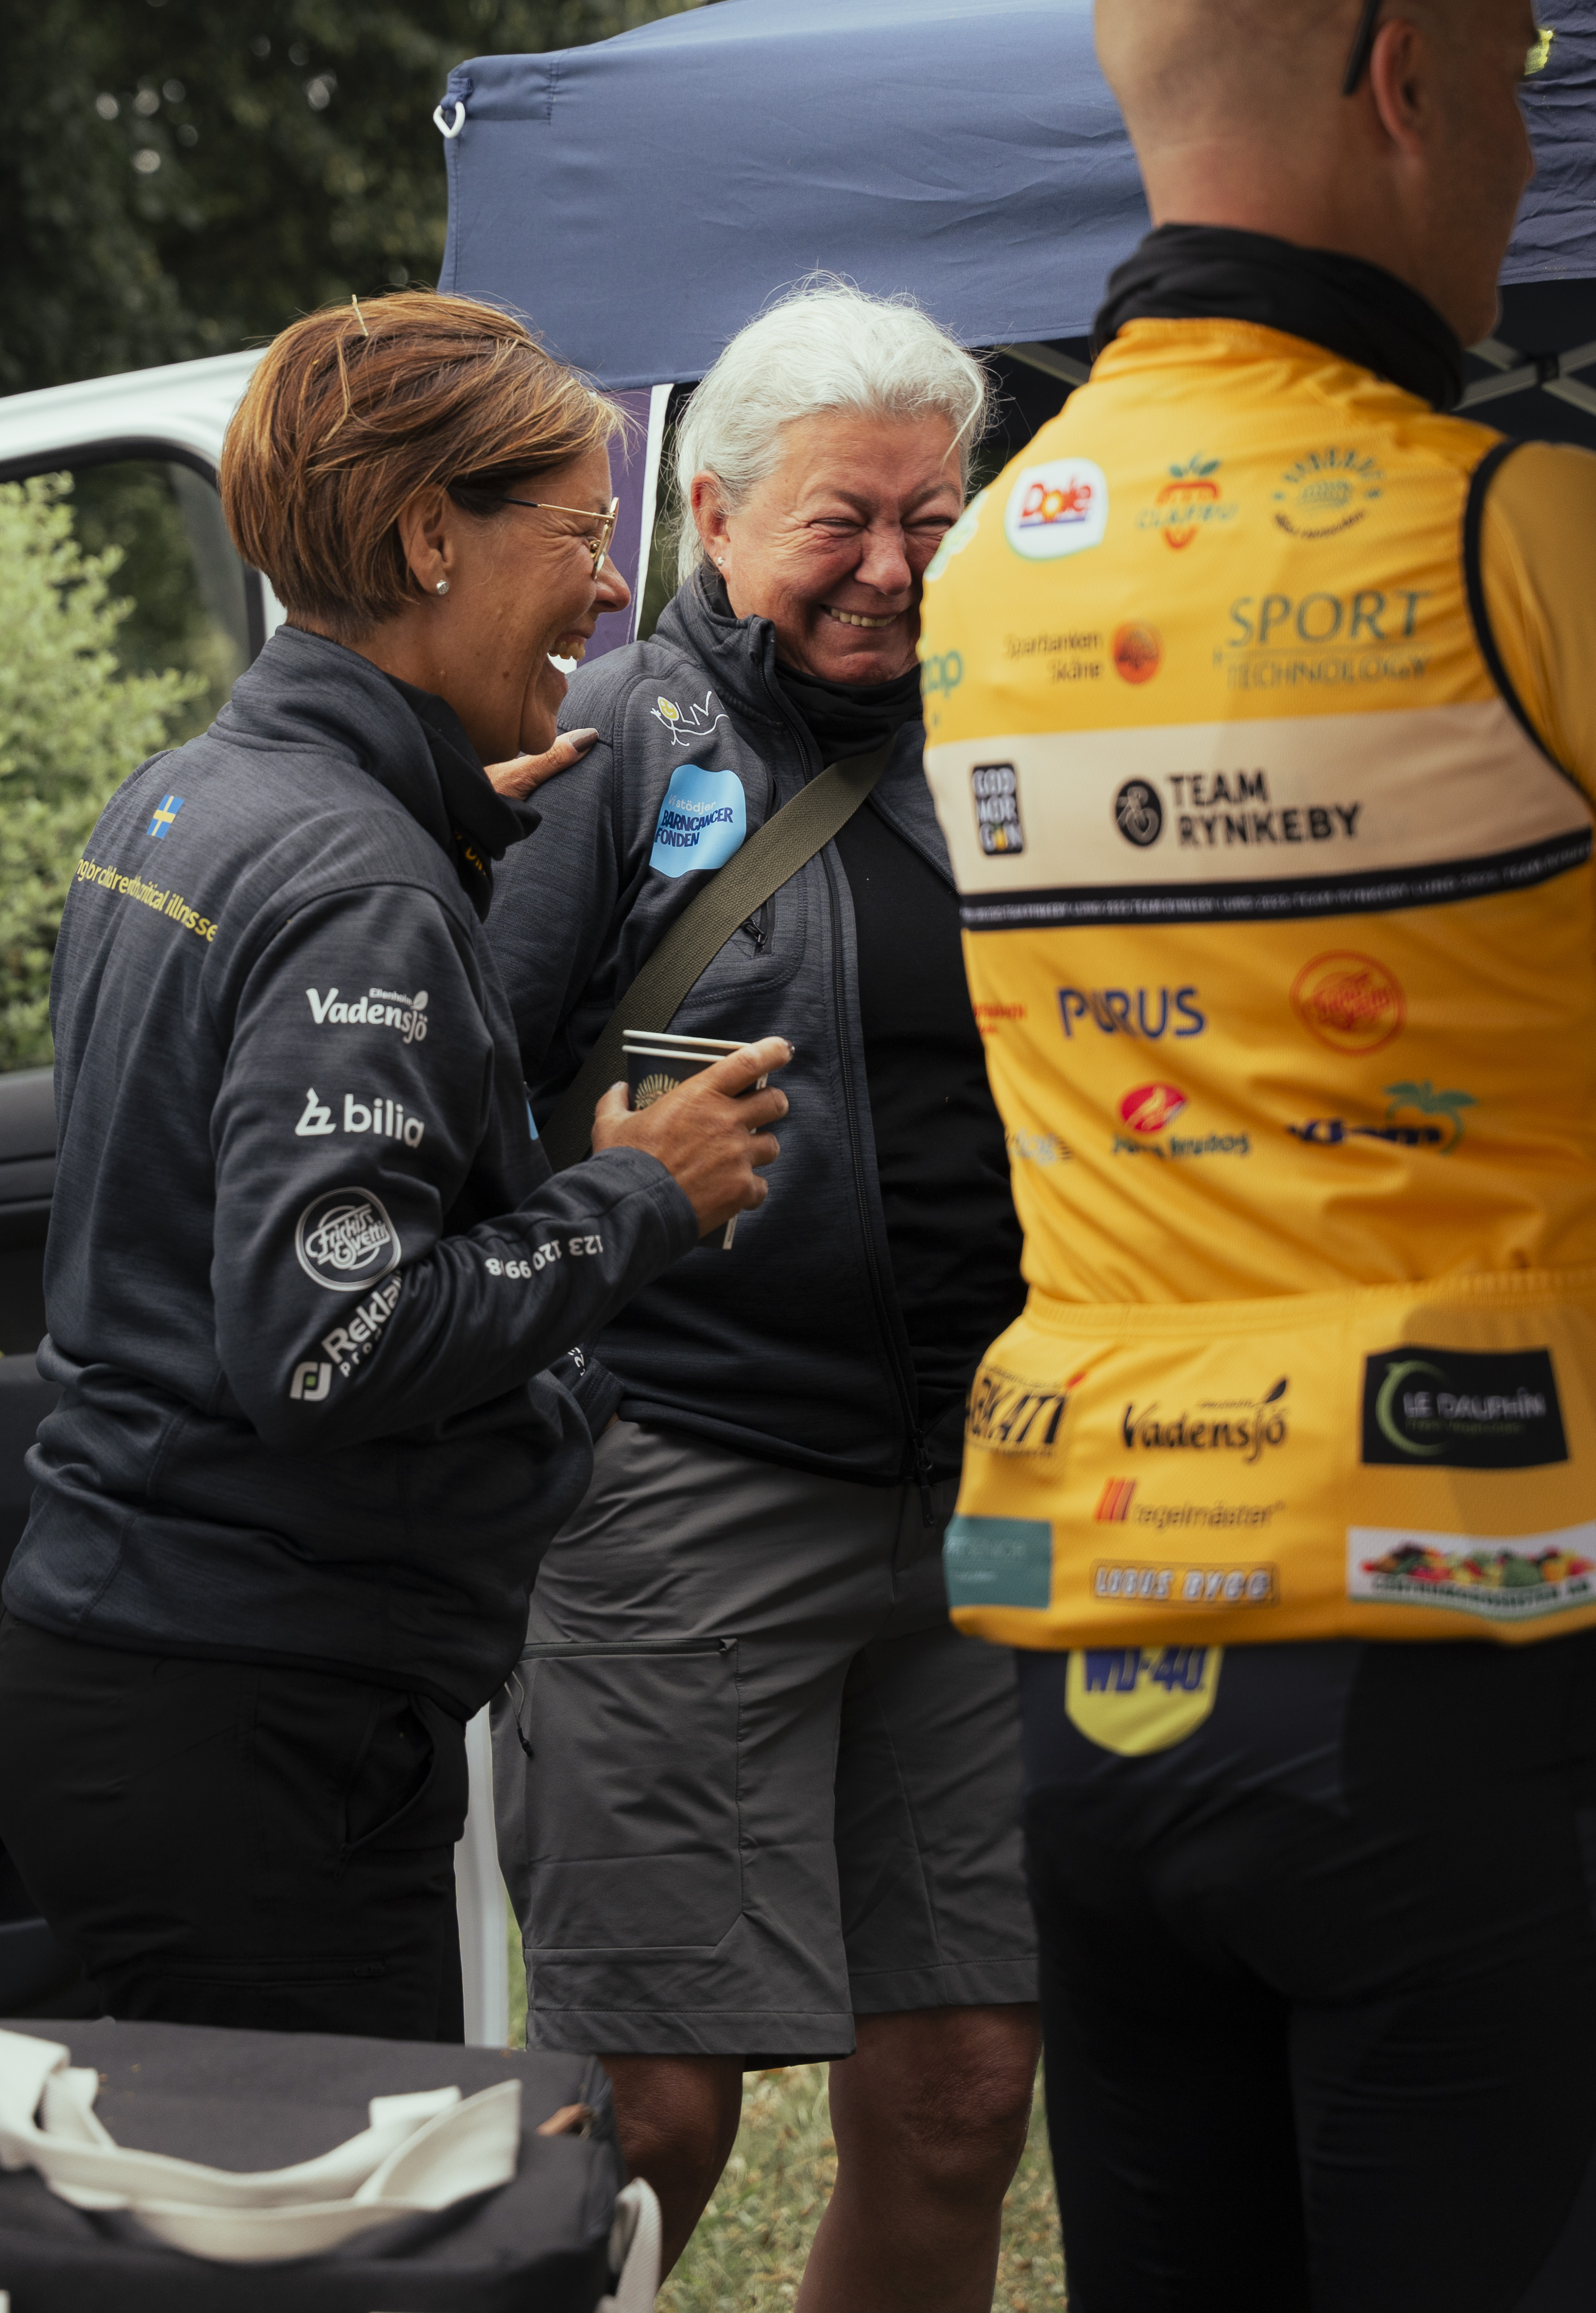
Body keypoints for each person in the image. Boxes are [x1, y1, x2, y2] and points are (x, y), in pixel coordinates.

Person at [919, 0, 1596, 2308]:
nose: (1517, 164)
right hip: (1504, 1649)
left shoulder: (984, 560)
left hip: (1099, 1641)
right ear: (1399, 84)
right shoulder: (1544, 526)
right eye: (1510, 96)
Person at [0, 291, 791, 2039]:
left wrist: (443, 826)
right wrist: (641, 1194)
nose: (609, 589)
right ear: (432, 537)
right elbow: (327, 1342)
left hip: (121, 1660)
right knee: (355, 2205)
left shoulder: (191, 796)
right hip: (263, 1722)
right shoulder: (355, 879)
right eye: (578, 530)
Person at [486, 280, 1042, 2310]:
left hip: (979, 1497)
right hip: (687, 1489)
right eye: (841, 521)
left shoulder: (1016, 725)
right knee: (651, 2114)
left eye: (932, 516)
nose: (892, 566)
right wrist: (597, 1218)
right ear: (710, 516)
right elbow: (458, 1103)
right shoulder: (611, 742)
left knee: (968, 2088)